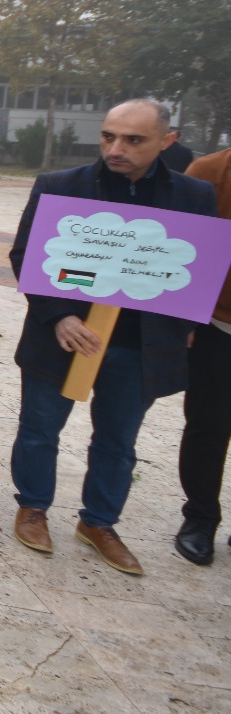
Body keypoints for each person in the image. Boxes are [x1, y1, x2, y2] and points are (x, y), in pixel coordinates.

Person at [6, 100, 216, 575]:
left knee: (118, 441)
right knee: (40, 430)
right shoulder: (61, 187)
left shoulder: (193, 195)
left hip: (139, 346)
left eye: (133, 140)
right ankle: (33, 506)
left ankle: (99, 521)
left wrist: (185, 327)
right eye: (108, 137)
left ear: (167, 140)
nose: (116, 148)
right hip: (63, 337)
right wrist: (59, 315)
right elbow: (27, 259)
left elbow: (197, 270)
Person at [177, 145, 231, 565]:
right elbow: (186, 246)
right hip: (219, 324)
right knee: (208, 425)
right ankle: (200, 516)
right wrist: (186, 318)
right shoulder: (211, 171)